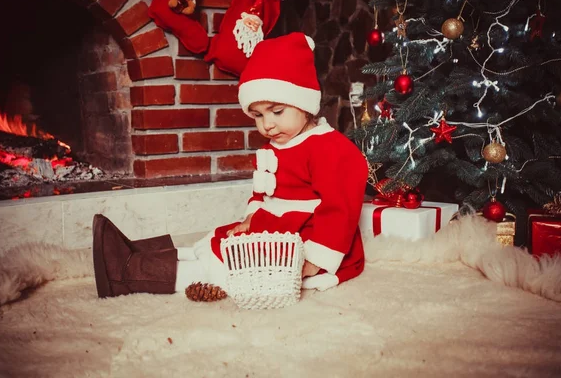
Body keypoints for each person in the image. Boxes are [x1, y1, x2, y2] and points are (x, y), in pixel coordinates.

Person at [92, 32, 369, 299]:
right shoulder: (277, 143)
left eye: (277, 111)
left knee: (229, 267)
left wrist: (315, 260)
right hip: (277, 226)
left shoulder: (329, 147)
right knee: (214, 242)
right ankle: (134, 251)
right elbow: (263, 192)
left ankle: (128, 273)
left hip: (306, 238)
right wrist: (252, 217)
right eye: (258, 115)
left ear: (305, 104)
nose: (267, 124)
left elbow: (340, 209)